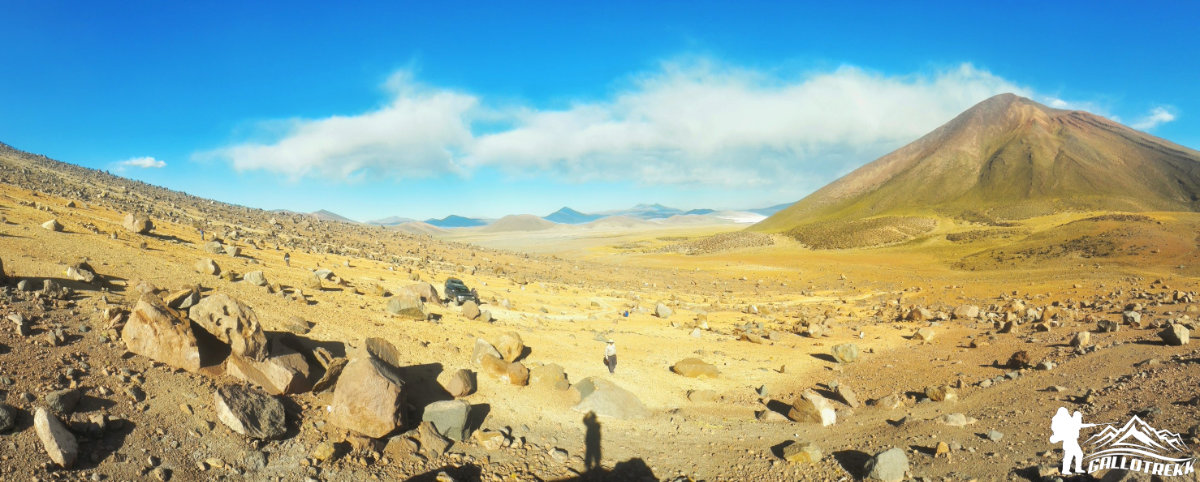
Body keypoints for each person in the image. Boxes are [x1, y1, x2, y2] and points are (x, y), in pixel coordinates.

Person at [1050, 407, 1099, 475]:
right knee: (1069, 456)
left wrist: (1090, 425)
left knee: (1079, 454)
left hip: (1073, 441)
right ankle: (1066, 470)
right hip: (1069, 442)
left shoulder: (1071, 422)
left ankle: (1077, 468)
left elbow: (1079, 425)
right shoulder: (1067, 423)